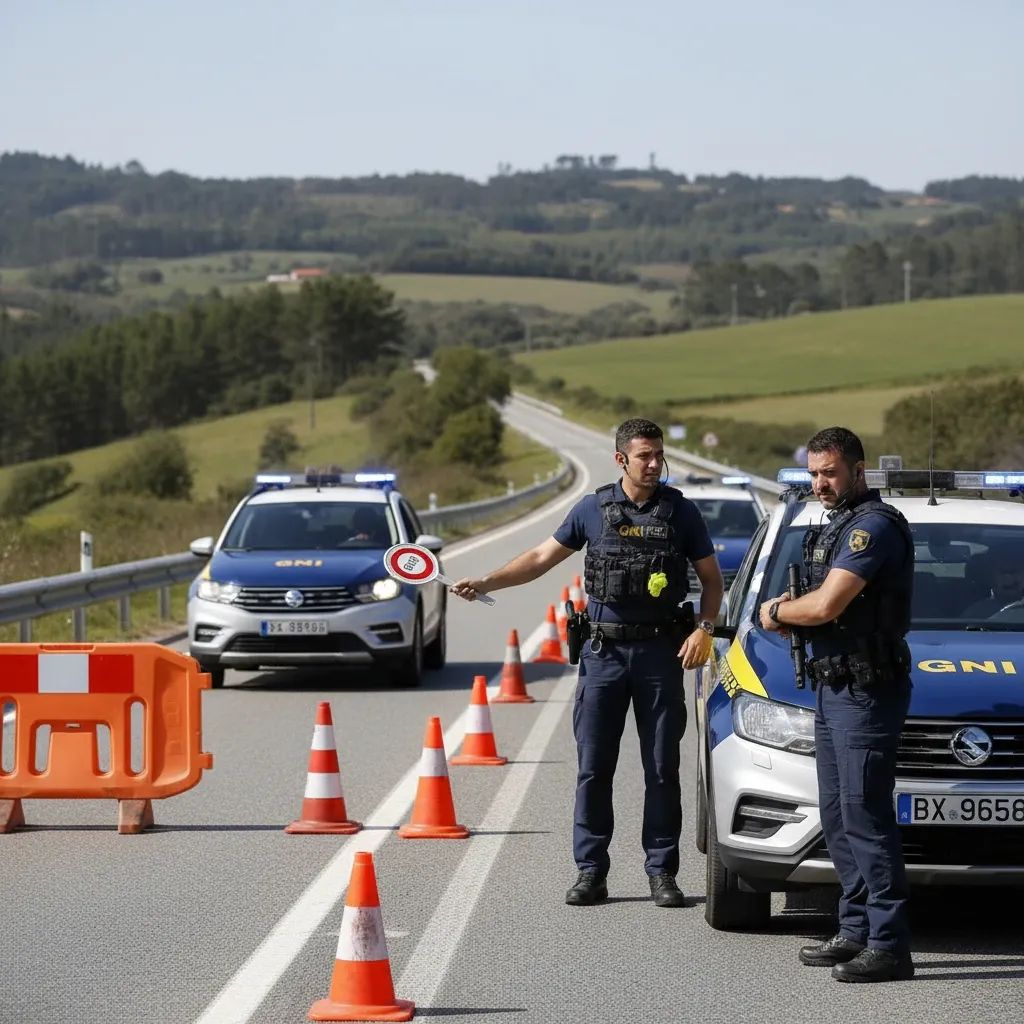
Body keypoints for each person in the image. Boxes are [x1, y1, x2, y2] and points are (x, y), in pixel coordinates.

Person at [451, 418, 723, 908]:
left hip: (661, 656)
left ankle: (662, 873)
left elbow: (712, 581)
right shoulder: (592, 509)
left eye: (659, 454)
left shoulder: (681, 512)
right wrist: (486, 583)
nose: (655, 463)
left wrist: (705, 629)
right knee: (594, 769)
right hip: (604, 656)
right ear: (621, 459)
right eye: (645, 456)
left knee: (662, 769)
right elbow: (539, 558)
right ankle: (590, 871)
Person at [759, 426, 915, 983]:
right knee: (837, 813)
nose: (820, 483)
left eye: (830, 472)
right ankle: (854, 930)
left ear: (858, 469)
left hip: (867, 692)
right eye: (814, 473)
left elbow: (826, 605)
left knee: (866, 815)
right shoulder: (835, 526)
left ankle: (890, 945)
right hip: (835, 687)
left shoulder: (871, 529)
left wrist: (777, 611)